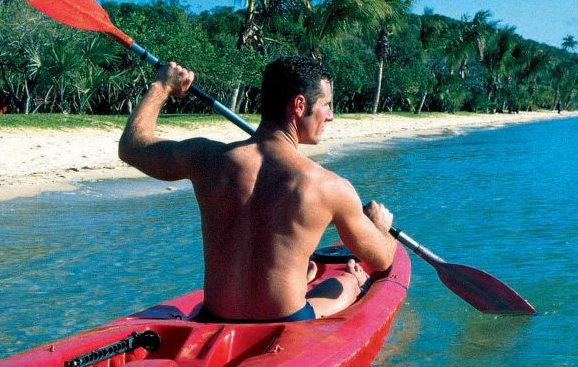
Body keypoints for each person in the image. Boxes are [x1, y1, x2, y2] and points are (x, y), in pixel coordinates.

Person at [119, 56, 397, 323]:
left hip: (213, 316)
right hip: (286, 321)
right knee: (346, 282)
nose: (331, 116)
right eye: (327, 104)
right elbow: (383, 258)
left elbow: (132, 147)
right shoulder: (329, 186)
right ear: (299, 105)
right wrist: (380, 228)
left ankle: (302, 277)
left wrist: (162, 86)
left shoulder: (206, 159)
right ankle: (343, 282)